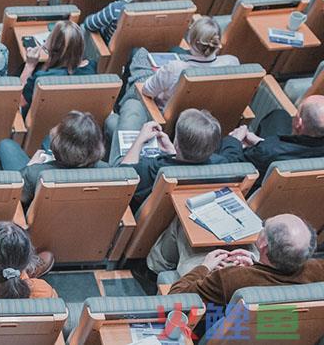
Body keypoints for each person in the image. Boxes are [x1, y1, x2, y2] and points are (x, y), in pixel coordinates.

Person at [168, 214, 324, 309]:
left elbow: (175, 299)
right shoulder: (319, 270)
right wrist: (256, 265)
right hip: (280, 331)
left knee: (180, 225)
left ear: (263, 244)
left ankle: (151, 269)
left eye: (264, 226)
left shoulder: (228, 279)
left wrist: (204, 267)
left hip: (221, 330)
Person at [118, 109, 242, 211]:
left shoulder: (154, 170)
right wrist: (173, 153)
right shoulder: (224, 167)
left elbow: (123, 175)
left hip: (142, 214)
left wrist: (140, 139)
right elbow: (233, 155)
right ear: (214, 146)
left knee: (126, 112)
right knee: (113, 122)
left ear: (176, 141)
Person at [0, 111, 106, 208]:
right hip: (80, 217)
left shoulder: (34, 174)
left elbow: (14, 197)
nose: (53, 130)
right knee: (46, 140)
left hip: (38, 213)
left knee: (6, 145)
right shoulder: (106, 171)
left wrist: (31, 166)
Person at [140, 17, 240, 110]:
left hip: (169, 114)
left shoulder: (174, 68)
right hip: (207, 114)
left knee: (139, 53)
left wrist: (161, 75)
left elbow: (146, 90)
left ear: (189, 40)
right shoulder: (232, 63)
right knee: (175, 49)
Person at [228, 95, 324, 181]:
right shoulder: (269, 150)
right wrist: (260, 142)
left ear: (299, 123)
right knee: (279, 116)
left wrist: (234, 140)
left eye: (297, 113)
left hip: (261, 182)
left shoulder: (266, 153)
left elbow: (234, 165)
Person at [20, 21, 96, 116]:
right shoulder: (92, 68)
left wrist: (29, 65)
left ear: (52, 45)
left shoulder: (42, 79)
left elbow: (19, 101)